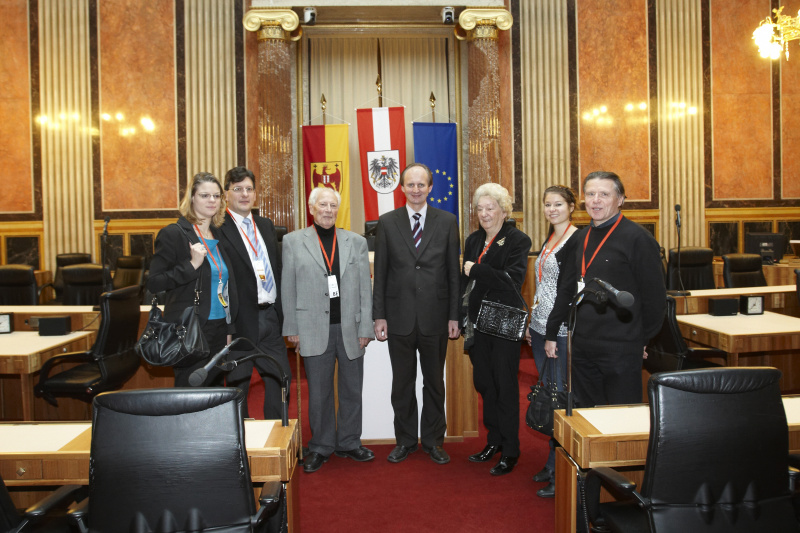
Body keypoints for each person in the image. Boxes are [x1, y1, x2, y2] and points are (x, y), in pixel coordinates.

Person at [282, 187, 375, 473]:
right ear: (312, 208)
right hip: (311, 327)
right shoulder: (293, 241)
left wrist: (366, 327)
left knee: (352, 390)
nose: (328, 210)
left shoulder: (356, 242)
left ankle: (349, 442)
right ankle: (321, 446)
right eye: (322, 205)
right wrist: (292, 327)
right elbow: (288, 287)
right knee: (319, 392)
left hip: (350, 328)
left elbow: (365, 288)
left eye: (333, 205)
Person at [554, 171, 666, 408]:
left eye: (604, 194)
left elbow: (655, 297)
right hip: (582, 345)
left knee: (620, 416)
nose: (595, 200)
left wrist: (642, 340)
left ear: (620, 199)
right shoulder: (580, 238)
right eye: (590, 194)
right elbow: (567, 288)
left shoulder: (638, 238)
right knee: (586, 416)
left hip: (621, 347)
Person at [373, 162, 461, 465]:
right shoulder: (387, 222)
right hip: (399, 317)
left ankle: (434, 441)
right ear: (402, 188)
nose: (415, 189)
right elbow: (381, 273)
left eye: (421, 184)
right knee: (402, 384)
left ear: (430, 188)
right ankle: (406, 440)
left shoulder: (447, 221)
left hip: (436, 317)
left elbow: (453, 273)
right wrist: (379, 315)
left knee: (434, 383)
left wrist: (454, 315)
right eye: (410, 184)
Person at [460, 183, 531, 476]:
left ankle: (510, 449)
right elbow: (464, 283)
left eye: (491, 208)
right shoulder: (473, 240)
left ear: (504, 210)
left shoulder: (517, 240)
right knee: (485, 383)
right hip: (478, 323)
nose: (485, 214)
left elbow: (512, 280)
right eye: (480, 209)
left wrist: (475, 269)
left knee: (505, 385)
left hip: (503, 321)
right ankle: (494, 441)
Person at [147, 172, 238, 387]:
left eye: (216, 196)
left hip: (219, 327)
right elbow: (154, 282)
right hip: (190, 329)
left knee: (215, 393)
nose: (212, 200)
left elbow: (225, 286)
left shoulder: (219, 234)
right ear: (192, 198)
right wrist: (191, 265)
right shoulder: (174, 233)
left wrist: (229, 328)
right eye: (205, 195)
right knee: (191, 393)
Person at [218, 166, 291, 420]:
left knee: (281, 380)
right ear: (226, 194)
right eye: (238, 189)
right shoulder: (218, 228)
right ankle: (242, 439)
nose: (244, 194)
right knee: (238, 387)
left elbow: (276, 269)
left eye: (249, 189)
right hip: (240, 321)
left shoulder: (265, 225)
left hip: (270, 317)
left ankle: (276, 435)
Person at [526, 185, 579, 497]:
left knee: (559, 399)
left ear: (571, 206)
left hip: (558, 331)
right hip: (540, 326)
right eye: (547, 204)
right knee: (548, 396)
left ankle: (562, 472)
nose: (552, 209)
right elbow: (543, 286)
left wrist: (551, 333)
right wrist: (533, 322)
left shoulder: (575, 240)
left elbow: (566, 292)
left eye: (558, 204)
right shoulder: (550, 237)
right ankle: (551, 462)